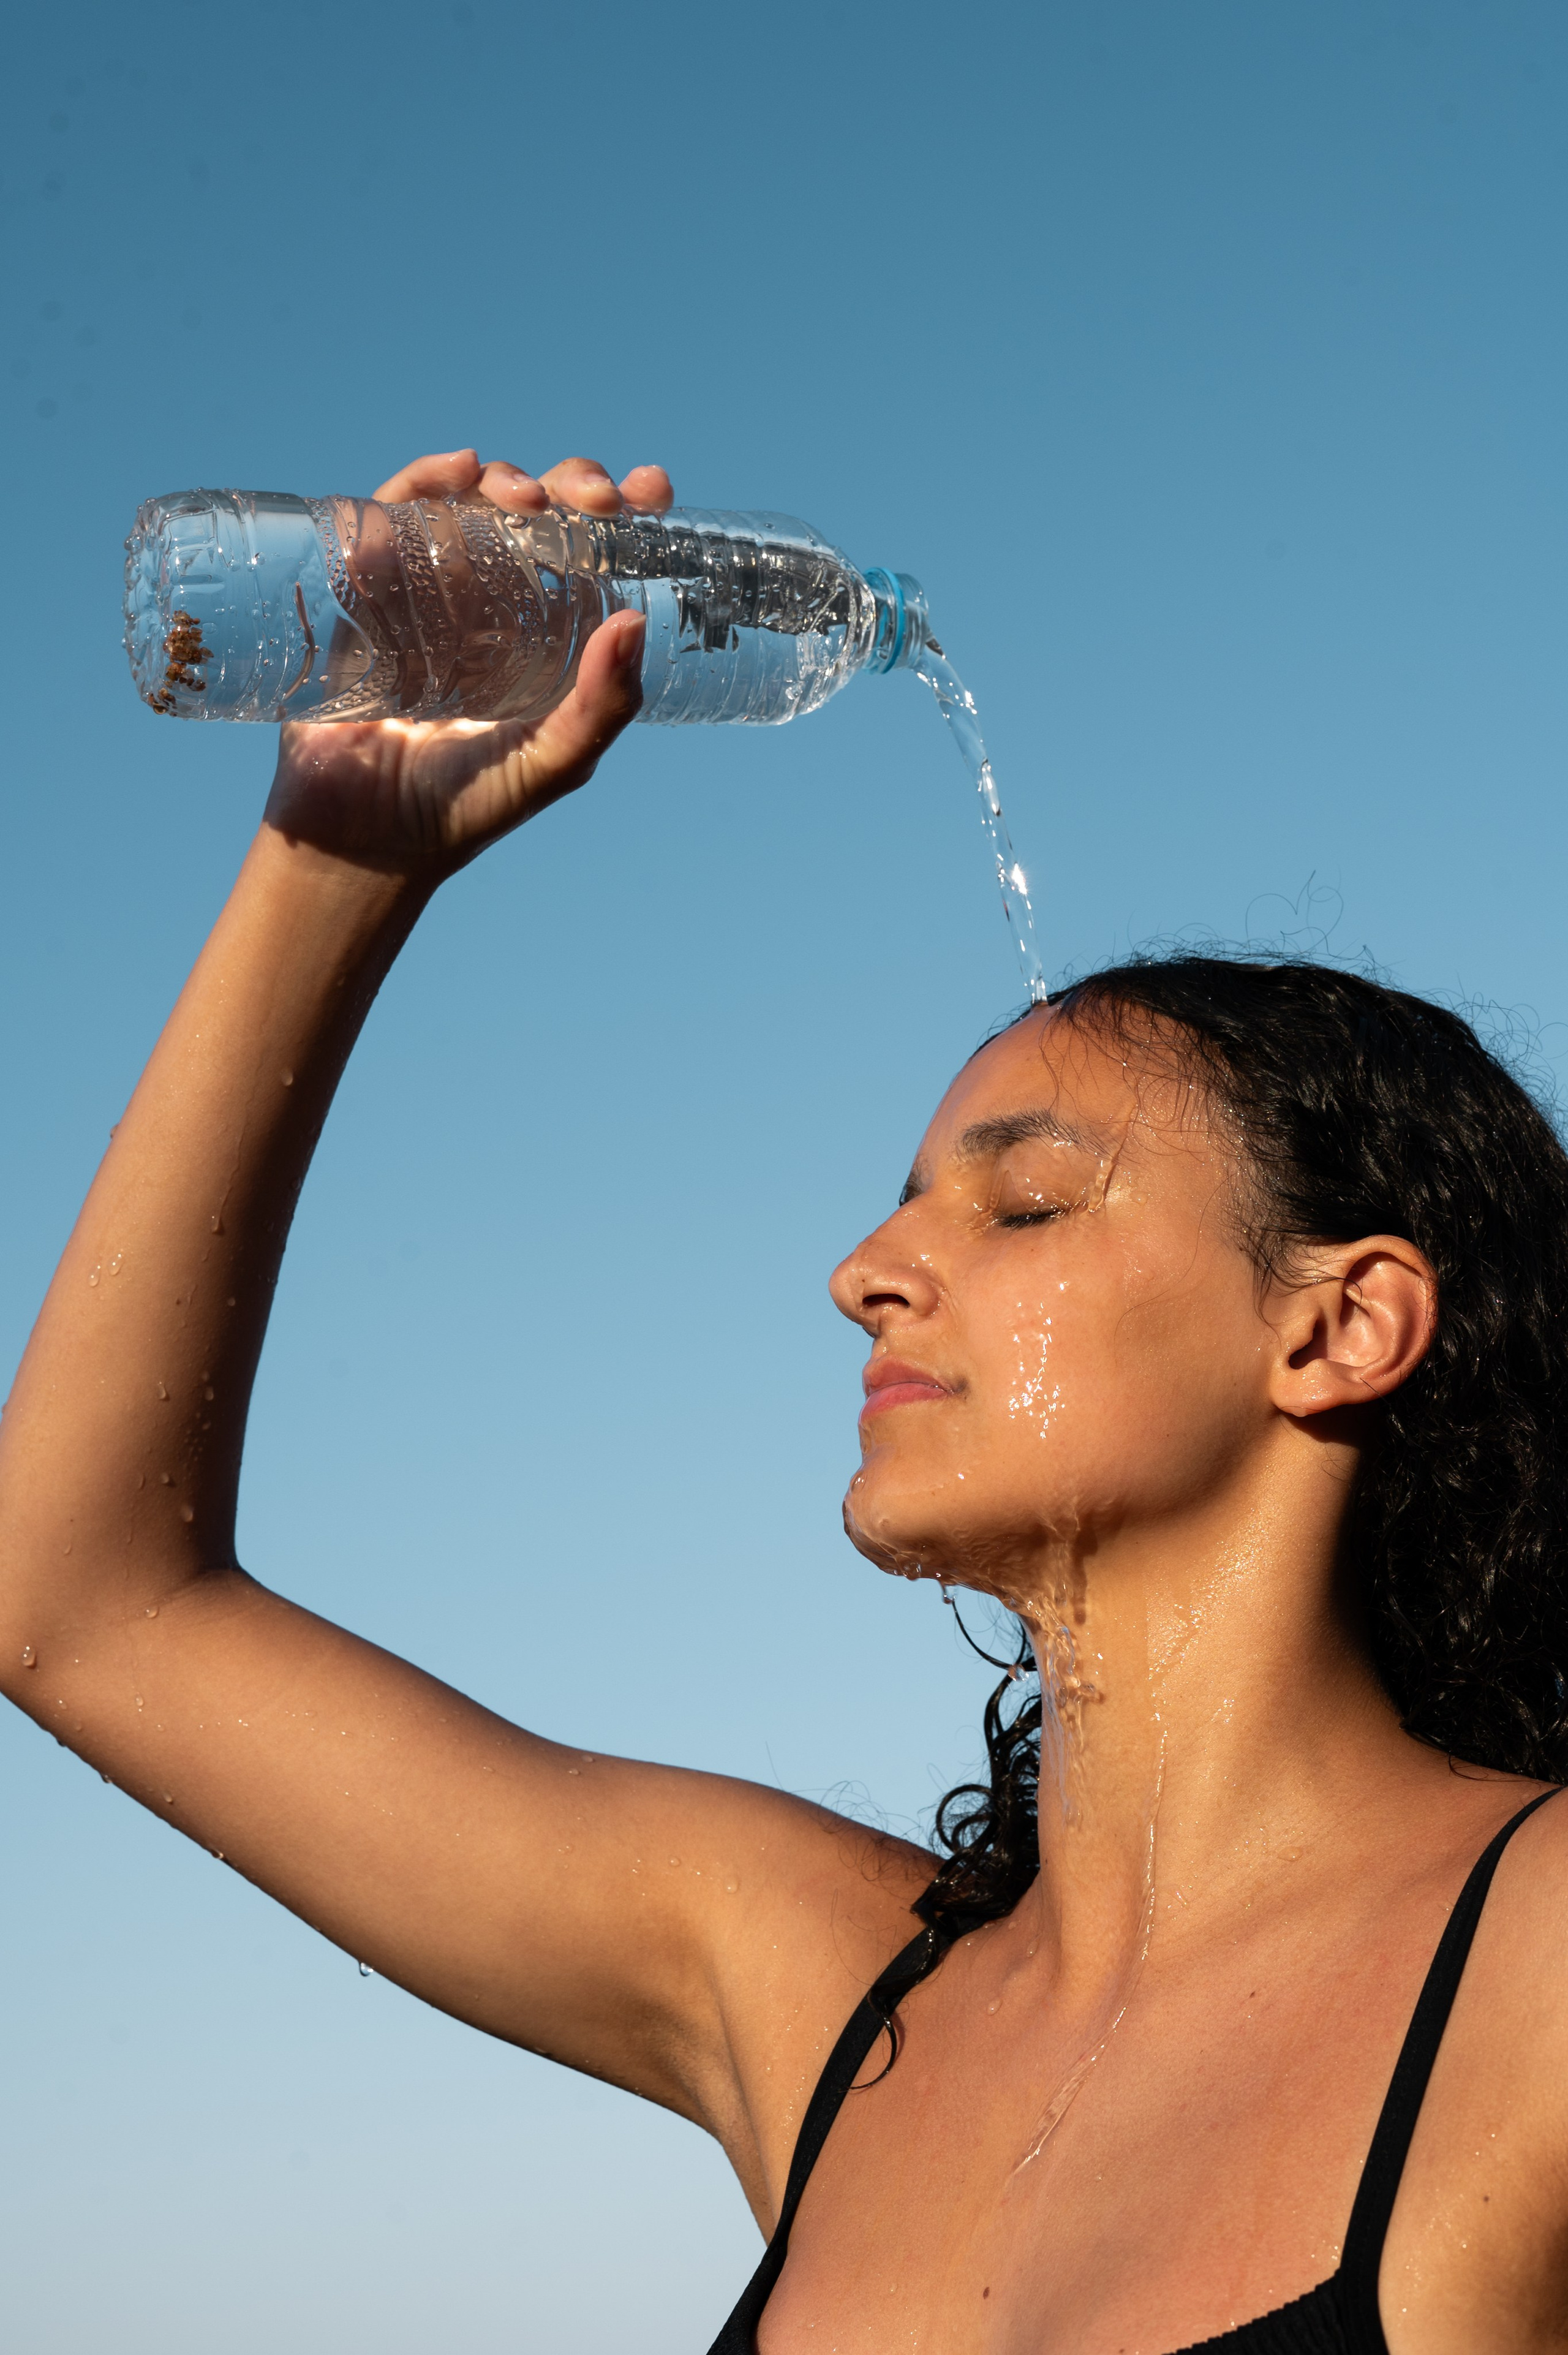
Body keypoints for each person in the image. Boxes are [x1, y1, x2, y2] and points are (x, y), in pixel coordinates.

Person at [3, 447, 1567, 2355]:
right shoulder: (825, 1987)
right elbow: (82, 1603)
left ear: (1341, 1325)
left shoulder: (1536, 1958)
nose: (865, 1270)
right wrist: (338, 865)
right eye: (903, 1203)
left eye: (1025, 1201)